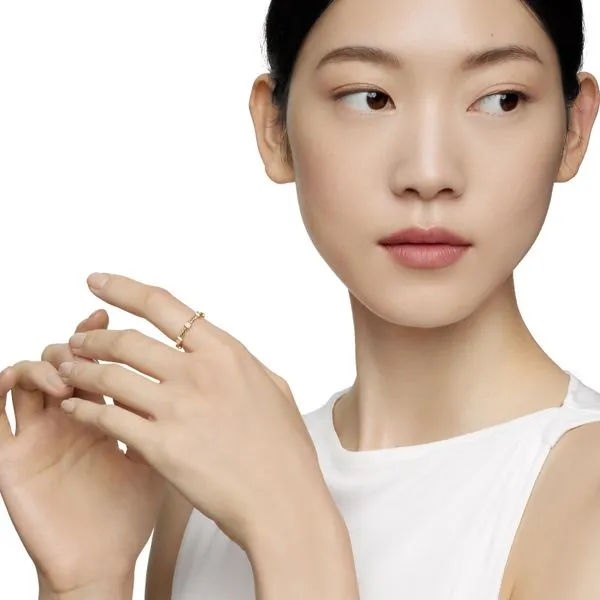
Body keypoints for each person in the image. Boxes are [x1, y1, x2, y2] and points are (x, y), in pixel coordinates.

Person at [0, 0, 599, 598]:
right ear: (274, 129)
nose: (428, 172)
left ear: (574, 129)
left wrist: (291, 529)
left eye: (501, 100)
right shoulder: (212, 480)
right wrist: (87, 581)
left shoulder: (585, 497)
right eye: (370, 98)